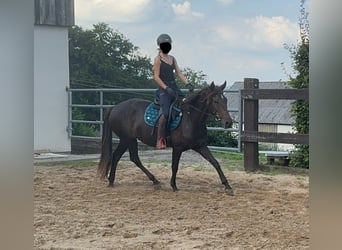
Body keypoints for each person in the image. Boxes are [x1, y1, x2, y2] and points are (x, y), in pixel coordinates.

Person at [153, 33, 194, 149]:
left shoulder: (172, 59)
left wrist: (188, 83)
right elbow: (156, 77)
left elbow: (179, 73)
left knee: (187, 104)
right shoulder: (158, 60)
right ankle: (160, 139)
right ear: (160, 46)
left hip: (174, 87)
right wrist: (166, 88)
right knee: (165, 113)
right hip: (163, 90)